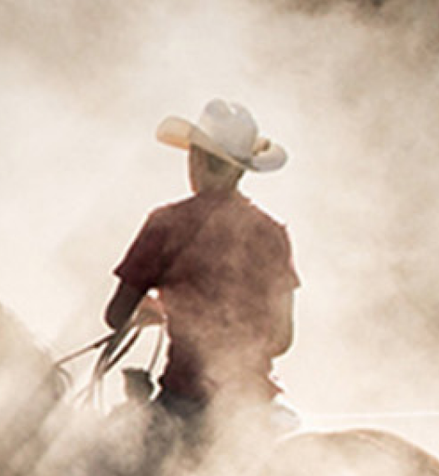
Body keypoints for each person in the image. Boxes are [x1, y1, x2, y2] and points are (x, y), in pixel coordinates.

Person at [104, 99, 298, 456]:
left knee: (107, 471)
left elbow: (116, 315)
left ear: (196, 159)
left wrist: (159, 311)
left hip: (188, 404)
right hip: (256, 403)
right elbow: (282, 338)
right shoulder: (273, 233)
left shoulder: (165, 224)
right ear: (240, 170)